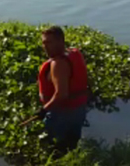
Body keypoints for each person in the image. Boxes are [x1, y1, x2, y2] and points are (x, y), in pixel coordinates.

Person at [36, 25, 91, 153]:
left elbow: (61, 95)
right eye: (44, 43)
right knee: (72, 145)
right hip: (79, 109)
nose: (45, 46)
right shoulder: (74, 53)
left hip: (62, 112)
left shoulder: (58, 64)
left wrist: (44, 110)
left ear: (60, 41)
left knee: (55, 148)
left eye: (49, 42)